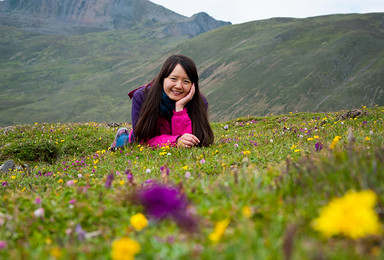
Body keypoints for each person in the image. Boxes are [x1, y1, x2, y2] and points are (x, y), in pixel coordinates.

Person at [112, 54, 214, 149]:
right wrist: (176, 141)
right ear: (162, 79)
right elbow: (141, 140)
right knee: (126, 143)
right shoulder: (142, 97)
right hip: (145, 138)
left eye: (186, 81)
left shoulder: (200, 102)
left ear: (193, 85)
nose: (178, 86)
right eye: (173, 79)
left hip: (165, 140)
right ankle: (122, 135)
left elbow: (190, 140)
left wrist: (180, 108)